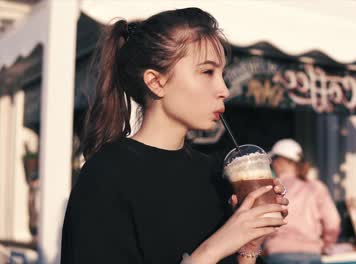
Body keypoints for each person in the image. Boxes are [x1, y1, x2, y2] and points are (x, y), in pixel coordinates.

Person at [60, 8, 289, 264]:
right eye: (207, 72)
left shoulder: (214, 174)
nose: (224, 89)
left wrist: (248, 244)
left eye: (222, 74)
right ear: (156, 82)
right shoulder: (107, 175)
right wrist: (214, 249)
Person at [263, 139, 341, 264]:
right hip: (311, 255)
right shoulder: (316, 187)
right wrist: (325, 245)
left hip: (279, 254)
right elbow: (333, 223)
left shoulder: (271, 189)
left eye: (273, 161)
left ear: (280, 161)